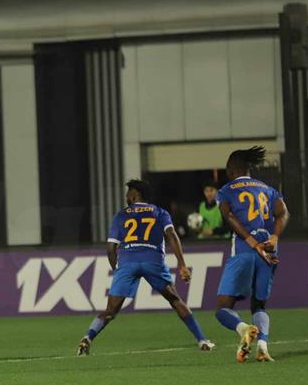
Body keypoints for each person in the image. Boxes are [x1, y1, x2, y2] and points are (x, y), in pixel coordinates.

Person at [77, 179, 215, 356]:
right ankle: (202, 340)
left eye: (128, 194)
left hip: (127, 262)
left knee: (110, 310)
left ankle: (87, 338)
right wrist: (182, 264)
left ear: (134, 195)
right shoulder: (159, 212)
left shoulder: (121, 215)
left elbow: (111, 248)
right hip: (153, 261)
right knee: (175, 300)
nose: (126, 197)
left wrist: (117, 270)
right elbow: (172, 235)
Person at [214, 146, 289, 363]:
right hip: (269, 252)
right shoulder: (268, 189)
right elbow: (283, 213)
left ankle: (244, 328)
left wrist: (252, 242)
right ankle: (263, 347)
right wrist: (274, 238)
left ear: (230, 170)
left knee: (222, 308)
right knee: (258, 305)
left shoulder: (226, 190)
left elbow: (228, 216)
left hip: (245, 251)